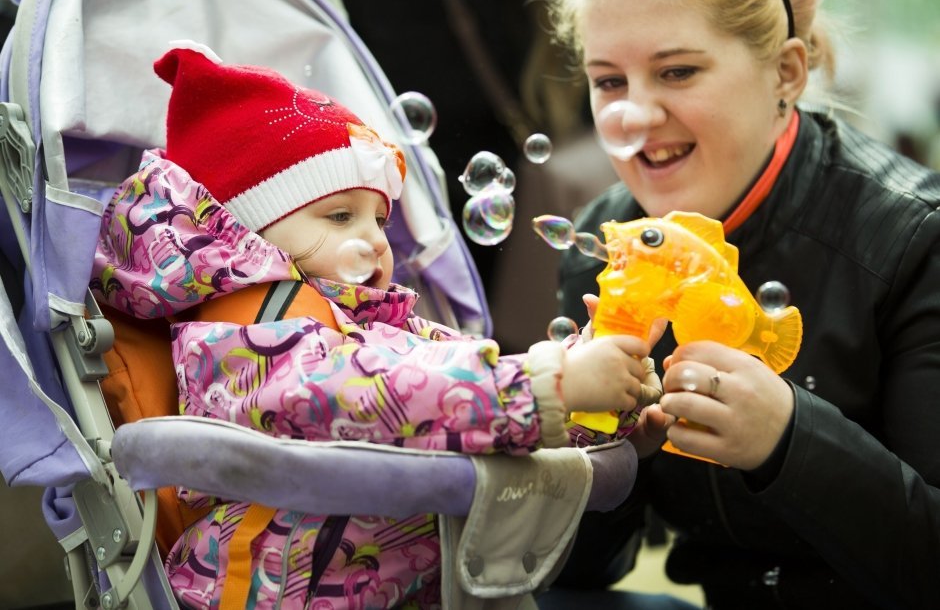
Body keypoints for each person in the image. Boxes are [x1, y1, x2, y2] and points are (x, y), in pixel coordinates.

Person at [90, 41, 658, 609]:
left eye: (381, 219)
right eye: (340, 216)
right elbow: (357, 392)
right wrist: (548, 383)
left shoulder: (384, 326)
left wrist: (602, 403)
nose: (376, 241)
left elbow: (483, 407)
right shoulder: (242, 333)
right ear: (249, 229)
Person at [541, 0, 940, 609]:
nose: (635, 118)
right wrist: (594, 448)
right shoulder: (608, 248)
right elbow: (583, 575)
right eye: (610, 82)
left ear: (786, 72)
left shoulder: (916, 239)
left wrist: (789, 438)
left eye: (677, 71)